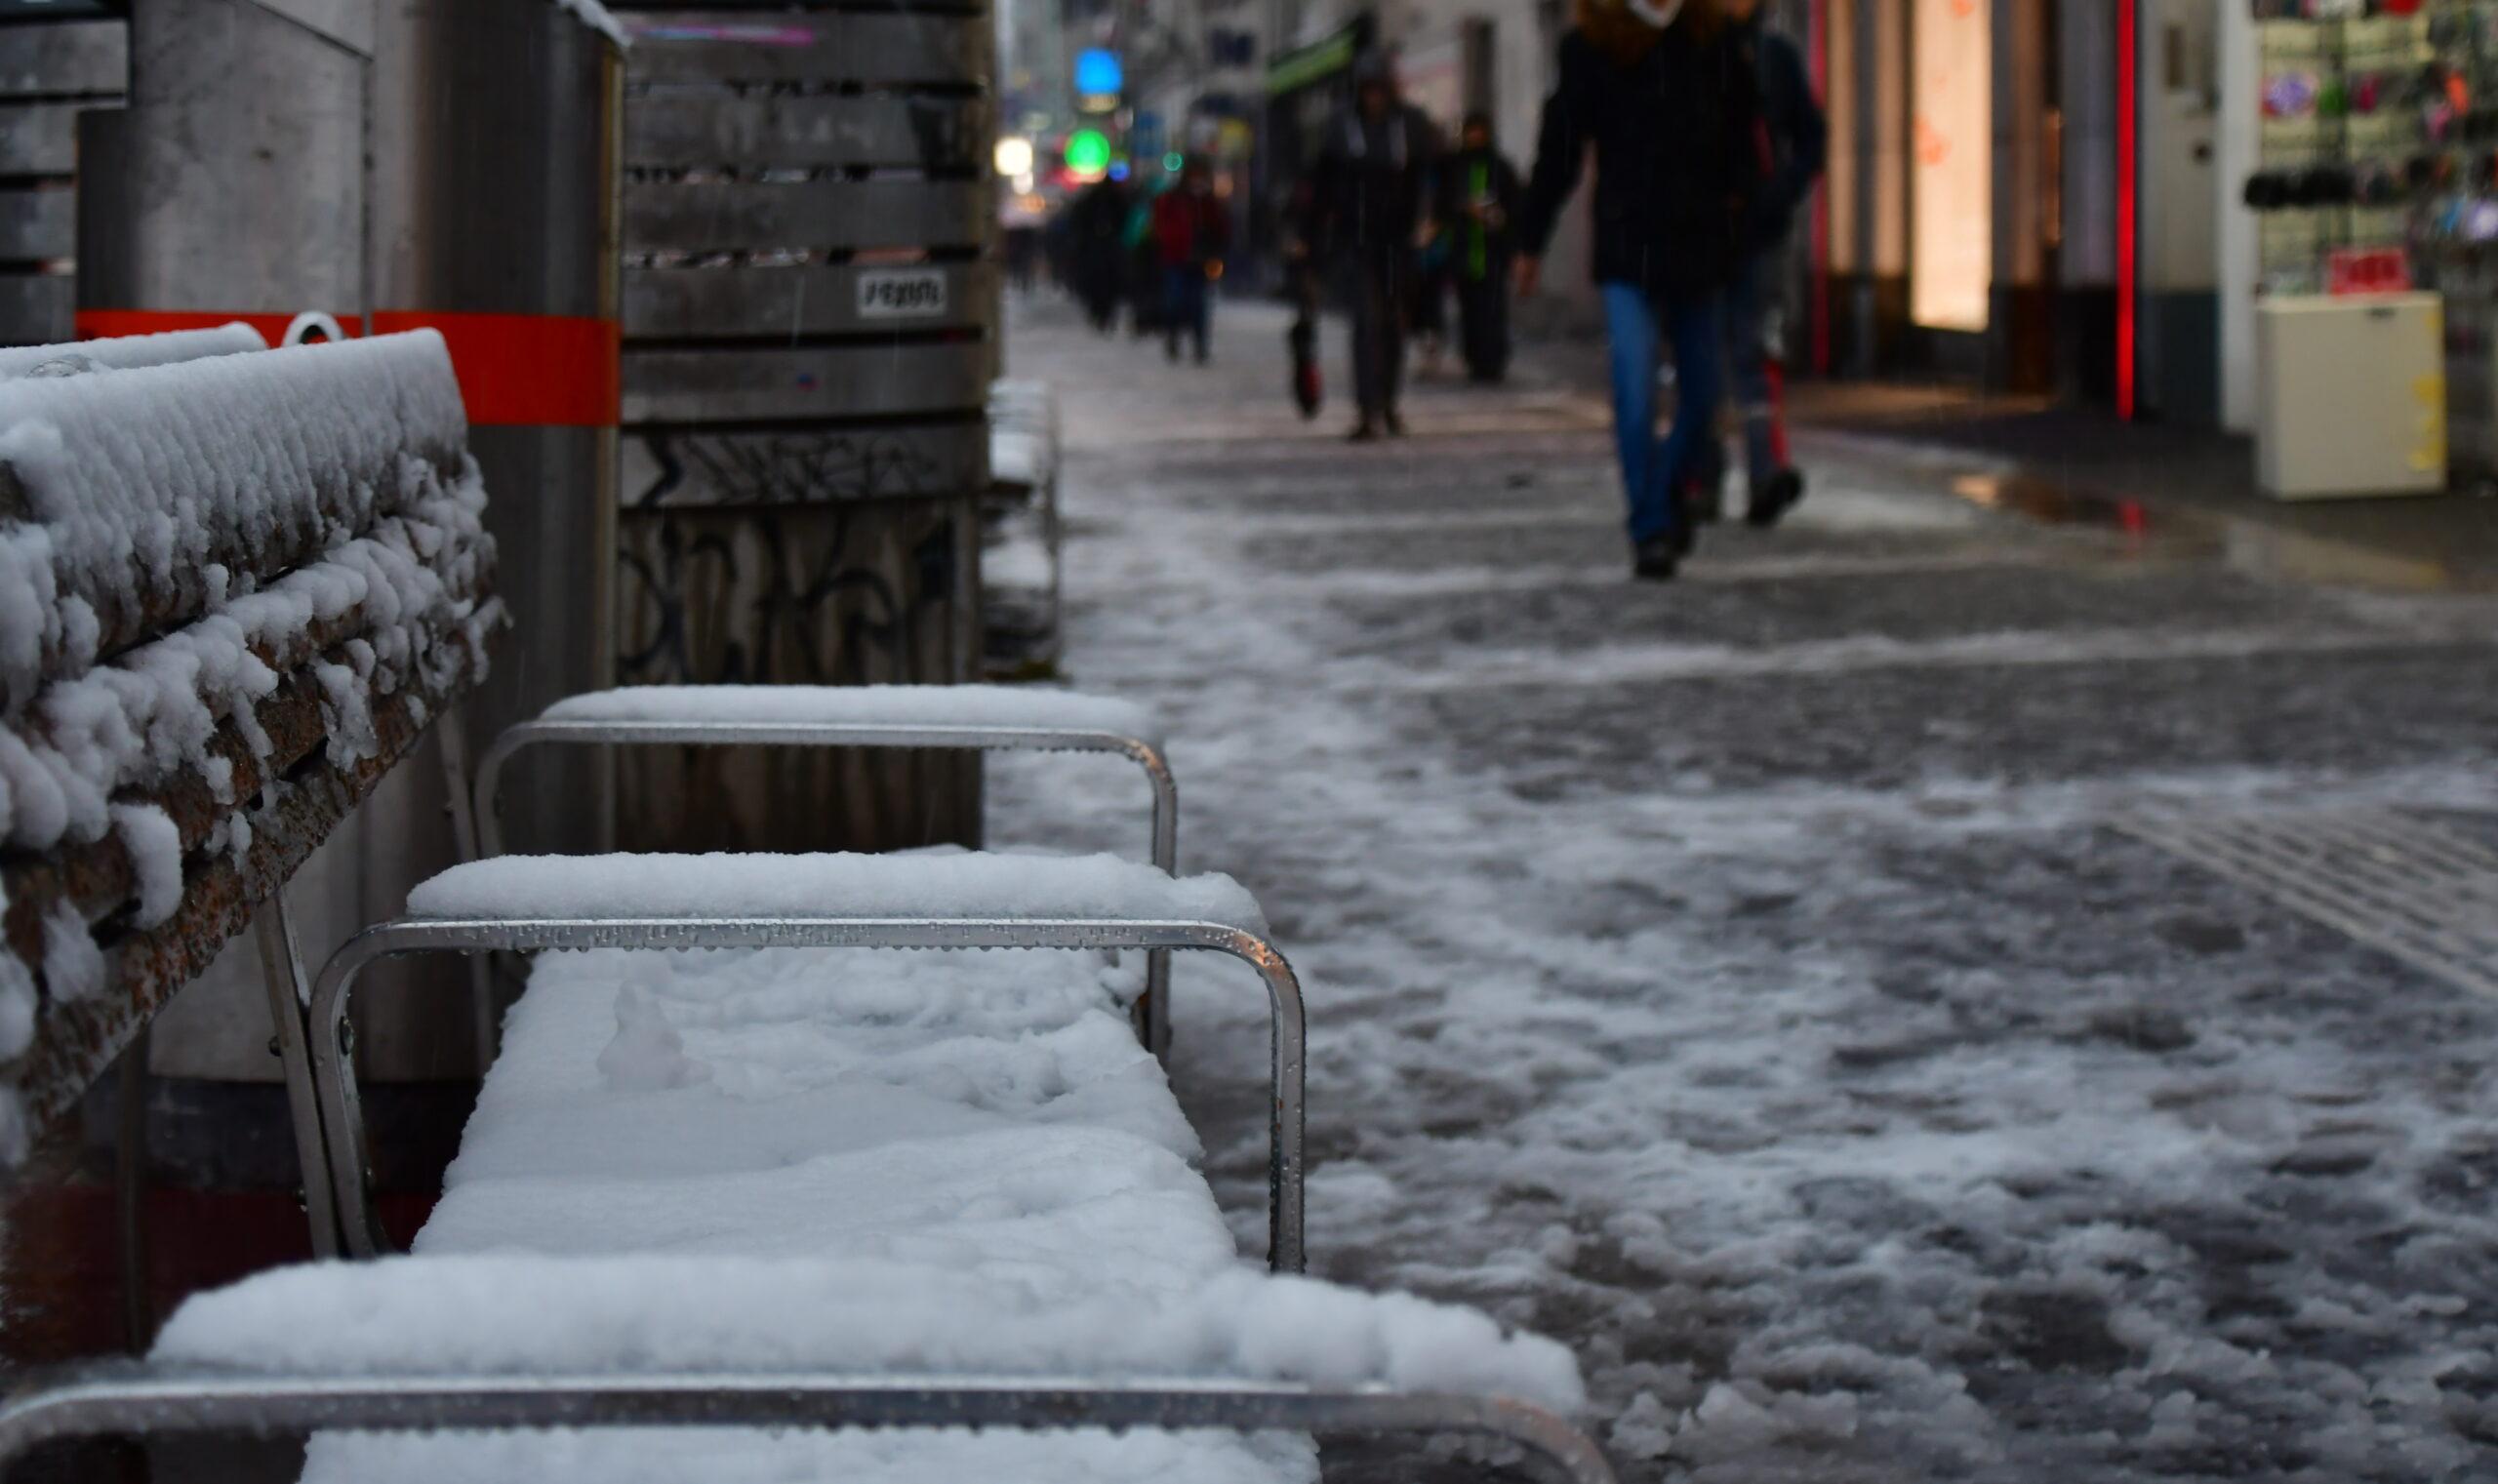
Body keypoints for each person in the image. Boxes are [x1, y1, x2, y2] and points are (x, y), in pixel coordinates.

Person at [1514, 0, 1765, 580]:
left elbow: (1743, 131)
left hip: (1698, 246)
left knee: (1704, 399)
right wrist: (1530, 240)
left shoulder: (1710, 36)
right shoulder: (1593, 45)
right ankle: (1650, 525)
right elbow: (1560, 151)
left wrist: (1739, 204)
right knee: (1633, 387)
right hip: (1629, 245)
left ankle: (1667, 492)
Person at [1719, 0, 1826, 526]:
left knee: (1755, 349)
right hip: (1701, 234)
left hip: (1761, 230)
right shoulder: (1688, 54)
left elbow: (1811, 137)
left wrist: (1781, 190)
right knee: (1704, 357)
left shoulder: (1775, 55)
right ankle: (1700, 477)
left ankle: (1764, 471)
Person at [1298, 51, 1437, 440]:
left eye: (1379, 89)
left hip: (1397, 238)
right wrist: (1307, 237)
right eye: (1368, 90)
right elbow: (1320, 186)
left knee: (1393, 323)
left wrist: (1428, 219)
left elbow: (1429, 175)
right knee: (1366, 322)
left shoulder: (1409, 126)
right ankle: (1367, 408)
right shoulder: (1341, 128)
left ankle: (1388, 401)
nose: (1374, 97)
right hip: (1355, 239)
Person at [1435, 110, 1522, 382]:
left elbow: (1517, 204)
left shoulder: (1500, 166)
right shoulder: (1455, 166)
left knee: (1493, 310)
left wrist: (1499, 217)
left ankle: (1493, 361)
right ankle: (1474, 359)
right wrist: (1464, 208)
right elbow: (1443, 204)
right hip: (1464, 250)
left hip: (1493, 251)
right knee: (1470, 309)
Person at [1150, 158, 1229, 364]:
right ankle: (1173, 338)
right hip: (1175, 258)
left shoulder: (1208, 203)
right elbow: (1161, 227)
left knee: (1199, 304)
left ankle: (1200, 345)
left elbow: (1220, 229)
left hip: (1200, 261)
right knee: (1175, 301)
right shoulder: (1173, 200)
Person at [1067, 177, 1132, 334]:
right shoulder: (1100, 203)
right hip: (1098, 252)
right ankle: (1101, 314)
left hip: (1104, 252)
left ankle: (1103, 314)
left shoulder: (1112, 202)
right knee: (1100, 286)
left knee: (1104, 286)